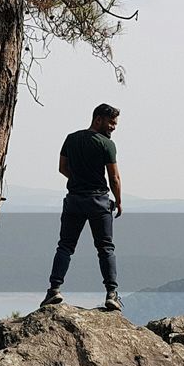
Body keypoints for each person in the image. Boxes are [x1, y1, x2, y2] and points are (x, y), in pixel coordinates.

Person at [41, 103, 123, 311]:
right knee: (105, 248)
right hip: (98, 201)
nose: (114, 127)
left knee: (65, 246)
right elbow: (114, 177)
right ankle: (112, 294)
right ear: (98, 119)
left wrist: (78, 179)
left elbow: (62, 168)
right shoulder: (106, 144)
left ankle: (54, 290)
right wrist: (119, 201)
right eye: (111, 122)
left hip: (74, 201)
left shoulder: (71, 139)